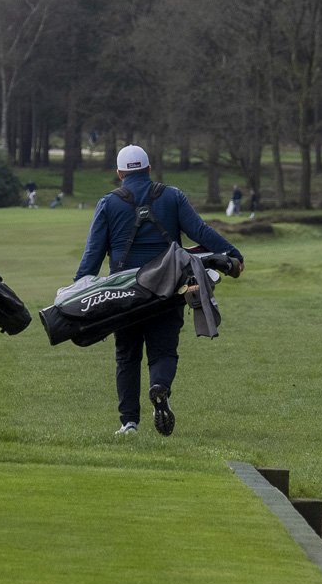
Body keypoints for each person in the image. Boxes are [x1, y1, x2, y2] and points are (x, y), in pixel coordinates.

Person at [76, 144, 244, 438]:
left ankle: (129, 423)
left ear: (119, 174)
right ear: (149, 169)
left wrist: (76, 296)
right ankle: (160, 388)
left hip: (125, 293)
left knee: (126, 356)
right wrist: (233, 254)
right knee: (164, 350)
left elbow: (92, 257)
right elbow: (201, 232)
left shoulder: (108, 203)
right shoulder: (172, 196)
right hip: (167, 288)